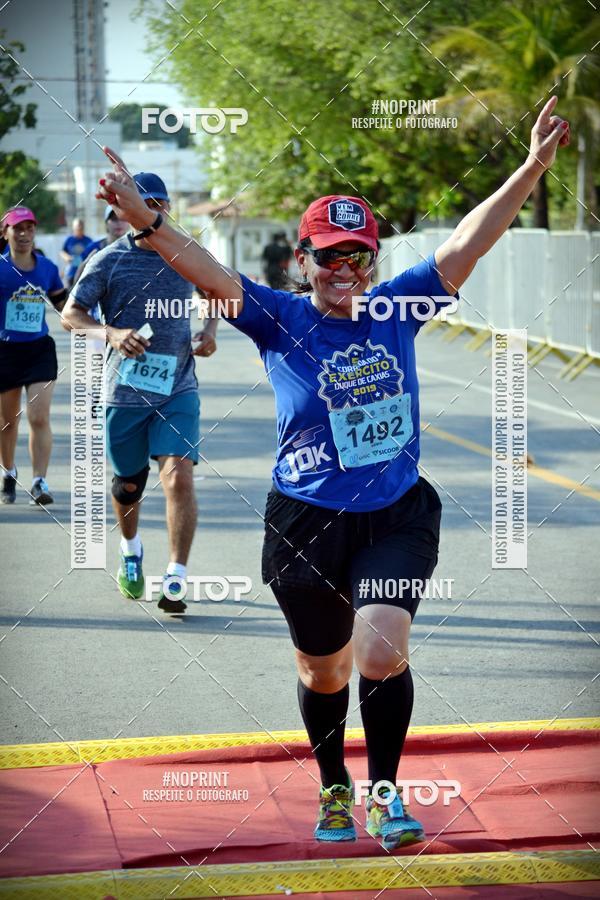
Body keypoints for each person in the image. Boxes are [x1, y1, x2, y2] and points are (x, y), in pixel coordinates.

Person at [94, 97, 569, 848]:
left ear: (373, 260)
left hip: (397, 515)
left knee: (381, 648)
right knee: (324, 674)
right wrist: (148, 227)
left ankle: (385, 792)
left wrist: (533, 167)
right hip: (305, 524)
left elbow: (472, 242)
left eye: (358, 254)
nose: (344, 269)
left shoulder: (398, 308)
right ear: (303, 259)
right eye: (329, 255)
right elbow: (204, 267)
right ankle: (335, 788)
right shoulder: (278, 316)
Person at [62, 172, 218, 614]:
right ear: (128, 210)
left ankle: (176, 578)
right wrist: (108, 332)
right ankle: (131, 551)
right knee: (128, 486)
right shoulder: (109, 260)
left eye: (159, 203)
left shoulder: (187, 256)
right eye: (143, 202)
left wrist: (208, 330)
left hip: (178, 388)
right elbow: (70, 315)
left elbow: (216, 293)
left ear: (167, 209)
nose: (152, 210)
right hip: (124, 393)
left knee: (179, 476)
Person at [0, 206, 67, 505]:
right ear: (6, 233)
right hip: (5, 351)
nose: (25, 234)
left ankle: (39, 482)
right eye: (18, 228)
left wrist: (93, 328)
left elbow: (64, 305)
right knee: (7, 422)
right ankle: (8, 473)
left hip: (39, 350)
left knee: (39, 417)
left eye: (29, 228)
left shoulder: (47, 268)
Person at [72, 206, 129, 287]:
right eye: (114, 219)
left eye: (122, 218)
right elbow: (75, 270)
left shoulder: (137, 249)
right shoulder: (93, 248)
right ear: (106, 223)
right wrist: (83, 267)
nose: (119, 223)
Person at [60, 218, 92, 288]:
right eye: (77, 227)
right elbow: (62, 252)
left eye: (81, 227)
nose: (79, 229)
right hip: (71, 273)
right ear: (73, 228)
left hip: (84, 273)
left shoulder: (89, 241)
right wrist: (67, 258)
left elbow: (93, 254)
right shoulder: (69, 240)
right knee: (68, 293)